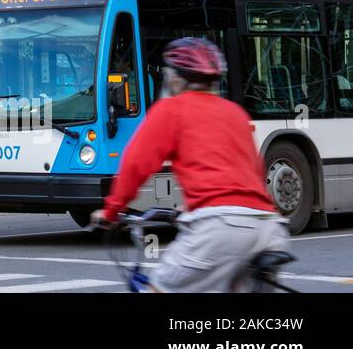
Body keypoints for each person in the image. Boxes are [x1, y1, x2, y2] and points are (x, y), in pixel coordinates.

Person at [91, 38, 290, 292]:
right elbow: (253, 171)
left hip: (221, 231)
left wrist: (110, 211)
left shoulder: (171, 110)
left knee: (159, 288)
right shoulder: (235, 112)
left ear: (175, 79)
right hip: (268, 228)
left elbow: (136, 165)